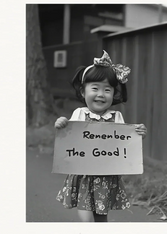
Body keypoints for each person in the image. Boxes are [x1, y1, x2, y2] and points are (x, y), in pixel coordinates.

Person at [55, 50, 147, 222]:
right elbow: (68, 134)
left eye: (107, 90)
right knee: (86, 210)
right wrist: (61, 123)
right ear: (83, 92)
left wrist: (139, 134)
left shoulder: (116, 117)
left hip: (106, 174)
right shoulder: (79, 113)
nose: (100, 94)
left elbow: (125, 143)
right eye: (95, 88)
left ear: (113, 93)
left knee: (101, 213)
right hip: (83, 173)